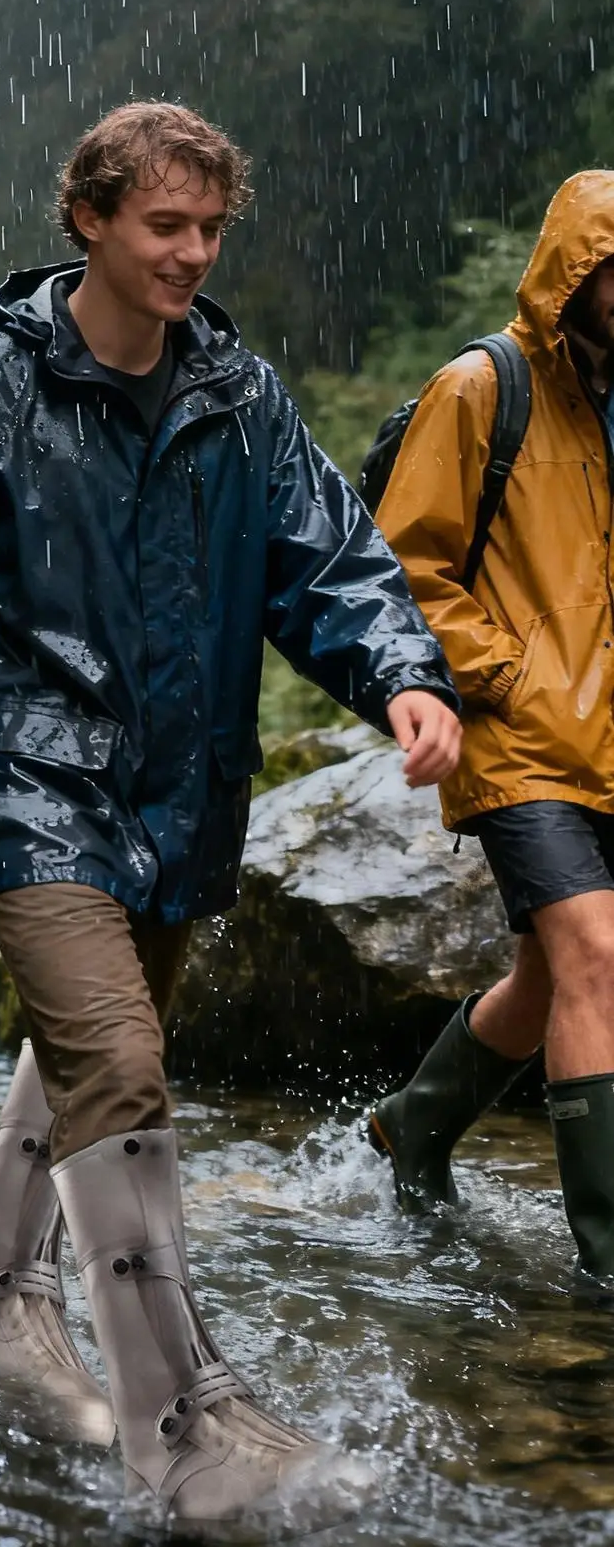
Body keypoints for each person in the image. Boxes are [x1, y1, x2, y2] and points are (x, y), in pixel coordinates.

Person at [0, 102, 463, 1526]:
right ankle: (179, 1427)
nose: (192, 252)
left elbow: (327, 561)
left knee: (94, 1059)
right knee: (117, 1063)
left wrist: (402, 674)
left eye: (210, 227)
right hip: (21, 779)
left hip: (180, 789)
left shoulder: (238, 393)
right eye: (165, 224)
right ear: (88, 218)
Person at [371, 172, 614, 1293]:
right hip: (518, 738)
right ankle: (605, 1262)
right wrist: (504, 671)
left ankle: (411, 1126)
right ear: (579, 271)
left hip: (605, 738)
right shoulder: (481, 386)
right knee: (596, 955)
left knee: (547, 978)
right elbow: (399, 563)